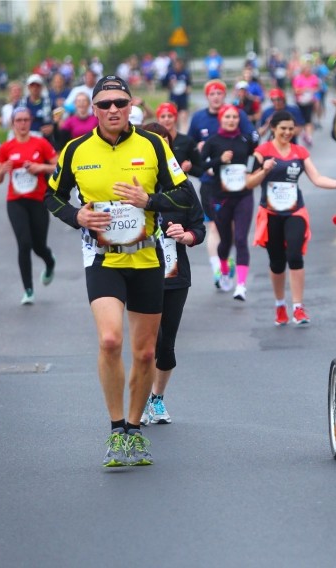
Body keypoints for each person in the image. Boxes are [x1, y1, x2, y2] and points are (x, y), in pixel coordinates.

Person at [44, 75, 199, 467]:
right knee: (111, 340)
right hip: (102, 257)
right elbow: (51, 195)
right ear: (94, 110)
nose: (113, 109)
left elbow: (183, 194)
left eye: (120, 102)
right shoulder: (76, 149)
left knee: (145, 352)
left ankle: (133, 430)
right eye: (105, 104)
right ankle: (116, 430)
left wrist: (150, 200)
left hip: (147, 257)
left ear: (131, 106)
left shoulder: (153, 144)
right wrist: (77, 215)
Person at [247, 110, 336, 325]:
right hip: (270, 213)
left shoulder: (299, 152)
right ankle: (280, 304)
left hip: (295, 211)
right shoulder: (262, 151)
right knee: (277, 262)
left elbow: (317, 178)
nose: (288, 132)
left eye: (291, 129)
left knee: (295, 256)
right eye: (283, 129)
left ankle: (298, 307)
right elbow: (249, 182)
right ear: (273, 128)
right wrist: (263, 170)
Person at [139, 121, 206, 426]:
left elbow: (199, 228)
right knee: (148, 343)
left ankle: (157, 398)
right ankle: (139, 398)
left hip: (175, 274)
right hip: (138, 271)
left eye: (164, 143)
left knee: (166, 345)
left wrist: (186, 236)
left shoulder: (183, 186)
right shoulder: (134, 183)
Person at [188, 79, 257, 289]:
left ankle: (225, 257)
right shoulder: (199, 117)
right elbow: (191, 148)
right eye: (212, 93)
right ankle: (218, 267)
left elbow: (252, 138)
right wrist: (200, 148)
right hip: (210, 183)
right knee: (214, 227)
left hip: (235, 183)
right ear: (207, 96)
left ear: (225, 95)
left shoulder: (237, 115)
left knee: (233, 231)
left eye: (220, 93)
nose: (216, 97)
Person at [0, 107, 58, 305]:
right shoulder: (6, 148)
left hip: (38, 200)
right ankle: (28, 289)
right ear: (13, 123)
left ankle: (49, 260)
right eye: (18, 120)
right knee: (24, 243)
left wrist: (41, 168)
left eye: (26, 120)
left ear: (30, 122)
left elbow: (58, 166)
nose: (22, 124)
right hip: (16, 201)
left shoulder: (40, 143)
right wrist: (3, 170)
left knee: (38, 246)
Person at [200, 104, 257, 299]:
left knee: (241, 239)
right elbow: (200, 166)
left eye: (234, 117)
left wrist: (254, 171)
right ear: (221, 119)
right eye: (227, 117)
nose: (231, 120)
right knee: (225, 241)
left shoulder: (245, 140)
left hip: (243, 195)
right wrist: (219, 160)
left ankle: (241, 286)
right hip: (221, 197)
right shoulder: (213, 141)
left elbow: (253, 158)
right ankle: (224, 267)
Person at [156, 102, 203, 179]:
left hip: (180, 188)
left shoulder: (187, 141)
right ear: (158, 119)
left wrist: (190, 168)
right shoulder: (153, 141)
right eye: (163, 116)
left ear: (175, 118)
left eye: (170, 116)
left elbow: (200, 170)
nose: (166, 119)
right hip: (160, 189)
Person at [292, 60, 321, 146]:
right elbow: (295, 90)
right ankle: (304, 133)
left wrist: (312, 92)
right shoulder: (298, 78)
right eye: (306, 70)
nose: (308, 71)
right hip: (300, 101)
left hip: (310, 101)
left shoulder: (313, 77)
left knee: (308, 119)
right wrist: (304, 90)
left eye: (309, 70)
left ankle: (309, 136)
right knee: (301, 119)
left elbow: (317, 88)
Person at [165, 58, 192, 131]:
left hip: (183, 97)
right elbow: (164, 84)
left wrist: (188, 89)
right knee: (174, 116)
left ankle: (183, 132)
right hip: (174, 97)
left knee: (183, 116)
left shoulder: (185, 73)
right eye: (176, 64)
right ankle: (176, 131)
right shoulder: (170, 73)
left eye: (179, 64)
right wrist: (170, 84)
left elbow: (189, 84)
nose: (177, 65)